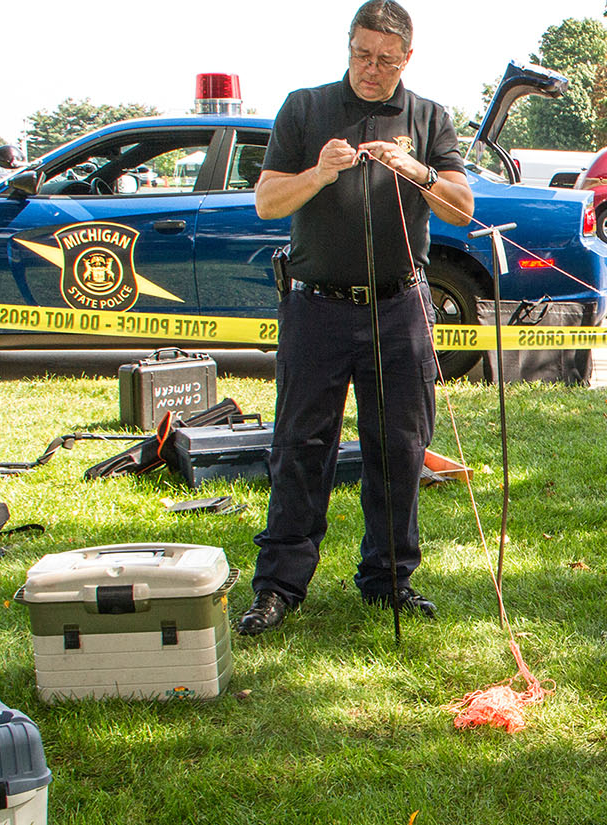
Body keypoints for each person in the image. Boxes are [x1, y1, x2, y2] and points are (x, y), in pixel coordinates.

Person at [237, 0, 474, 635]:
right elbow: (266, 203)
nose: (371, 69)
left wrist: (416, 169)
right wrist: (319, 172)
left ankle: (389, 579)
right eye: (361, 55)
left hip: (399, 310)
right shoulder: (305, 107)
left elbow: (460, 209)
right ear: (348, 48)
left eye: (385, 60)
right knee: (299, 448)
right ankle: (280, 585)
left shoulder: (428, 117)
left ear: (407, 58)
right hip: (316, 307)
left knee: (398, 449)